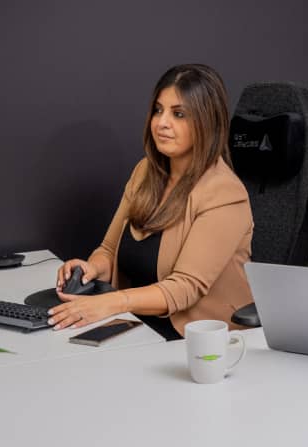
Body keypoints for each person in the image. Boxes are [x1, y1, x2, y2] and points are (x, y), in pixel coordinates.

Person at [49, 64, 254, 340]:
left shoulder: (224, 193)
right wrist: (91, 269)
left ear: (207, 123)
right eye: (158, 110)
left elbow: (184, 288)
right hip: (137, 325)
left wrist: (112, 302)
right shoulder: (145, 172)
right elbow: (108, 250)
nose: (161, 123)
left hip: (197, 338)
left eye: (178, 114)